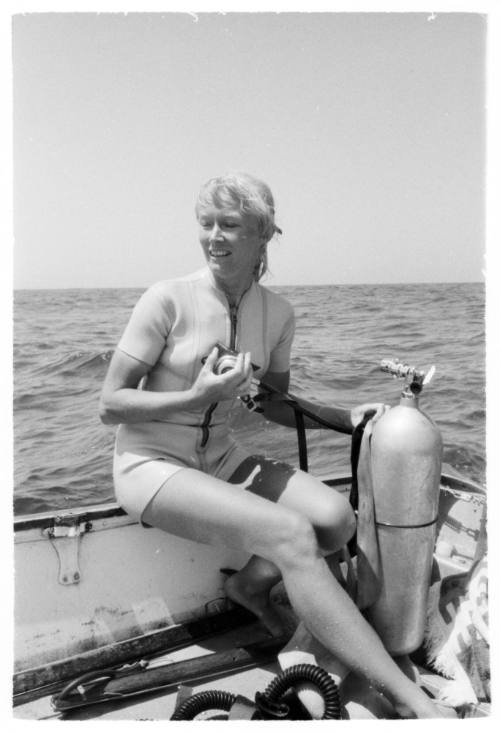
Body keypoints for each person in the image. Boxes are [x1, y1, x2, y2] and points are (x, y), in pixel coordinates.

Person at [99, 172, 447, 718]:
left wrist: (344, 416)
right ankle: (406, 697)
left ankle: (257, 596)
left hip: (219, 459)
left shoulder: (277, 314)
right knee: (290, 533)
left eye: (230, 225)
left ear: (263, 235)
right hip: (151, 464)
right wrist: (197, 394)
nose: (214, 236)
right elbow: (110, 404)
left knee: (335, 519)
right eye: (206, 223)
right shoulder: (167, 300)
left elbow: (273, 404)